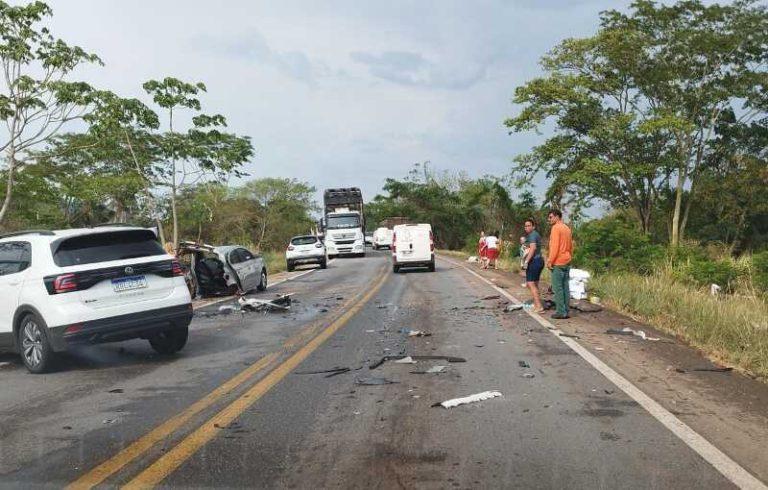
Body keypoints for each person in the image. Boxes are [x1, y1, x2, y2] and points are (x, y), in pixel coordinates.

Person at [546, 209, 573, 319]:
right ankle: (566, 310)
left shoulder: (556, 228)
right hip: (567, 260)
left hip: (558, 261)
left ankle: (561, 312)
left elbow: (555, 247)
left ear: (557, 217)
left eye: (551, 217)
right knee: (565, 287)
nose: (549, 219)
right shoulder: (567, 228)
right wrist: (570, 256)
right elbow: (571, 246)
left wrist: (550, 261)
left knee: (558, 288)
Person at [522, 219, 545, 313]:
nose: (527, 227)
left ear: (533, 226)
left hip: (534, 261)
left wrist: (526, 261)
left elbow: (533, 248)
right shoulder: (535, 234)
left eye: (529, 225)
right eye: (525, 226)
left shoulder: (532, 235)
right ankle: (537, 304)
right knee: (534, 284)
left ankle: (539, 306)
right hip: (538, 260)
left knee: (530, 284)